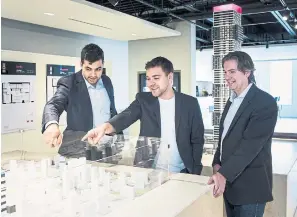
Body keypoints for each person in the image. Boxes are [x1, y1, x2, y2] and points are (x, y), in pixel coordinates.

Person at [82, 56, 205, 174]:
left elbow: (197, 140)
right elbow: (125, 116)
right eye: (148, 78)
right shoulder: (144, 100)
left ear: (170, 77)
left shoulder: (190, 103)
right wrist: (104, 127)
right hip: (149, 171)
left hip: (181, 172)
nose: (150, 83)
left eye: (156, 78)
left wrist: (195, 170)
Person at [208, 51, 277, 217]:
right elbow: (224, 137)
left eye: (232, 72)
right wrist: (217, 163)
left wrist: (223, 173)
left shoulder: (264, 102)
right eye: (225, 72)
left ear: (247, 72)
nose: (227, 76)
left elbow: (249, 147)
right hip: (230, 185)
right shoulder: (232, 100)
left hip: (250, 188)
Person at [42, 43, 120, 157]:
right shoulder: (69, 82)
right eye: (88, 69)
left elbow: (112, 111)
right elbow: (53, 105)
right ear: (81, 64)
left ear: (103, 65)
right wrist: (52, 125)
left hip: (106, 149)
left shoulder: (107, 81)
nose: (93, 75)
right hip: (78, 150)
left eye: (98, 69)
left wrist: (119, 139)